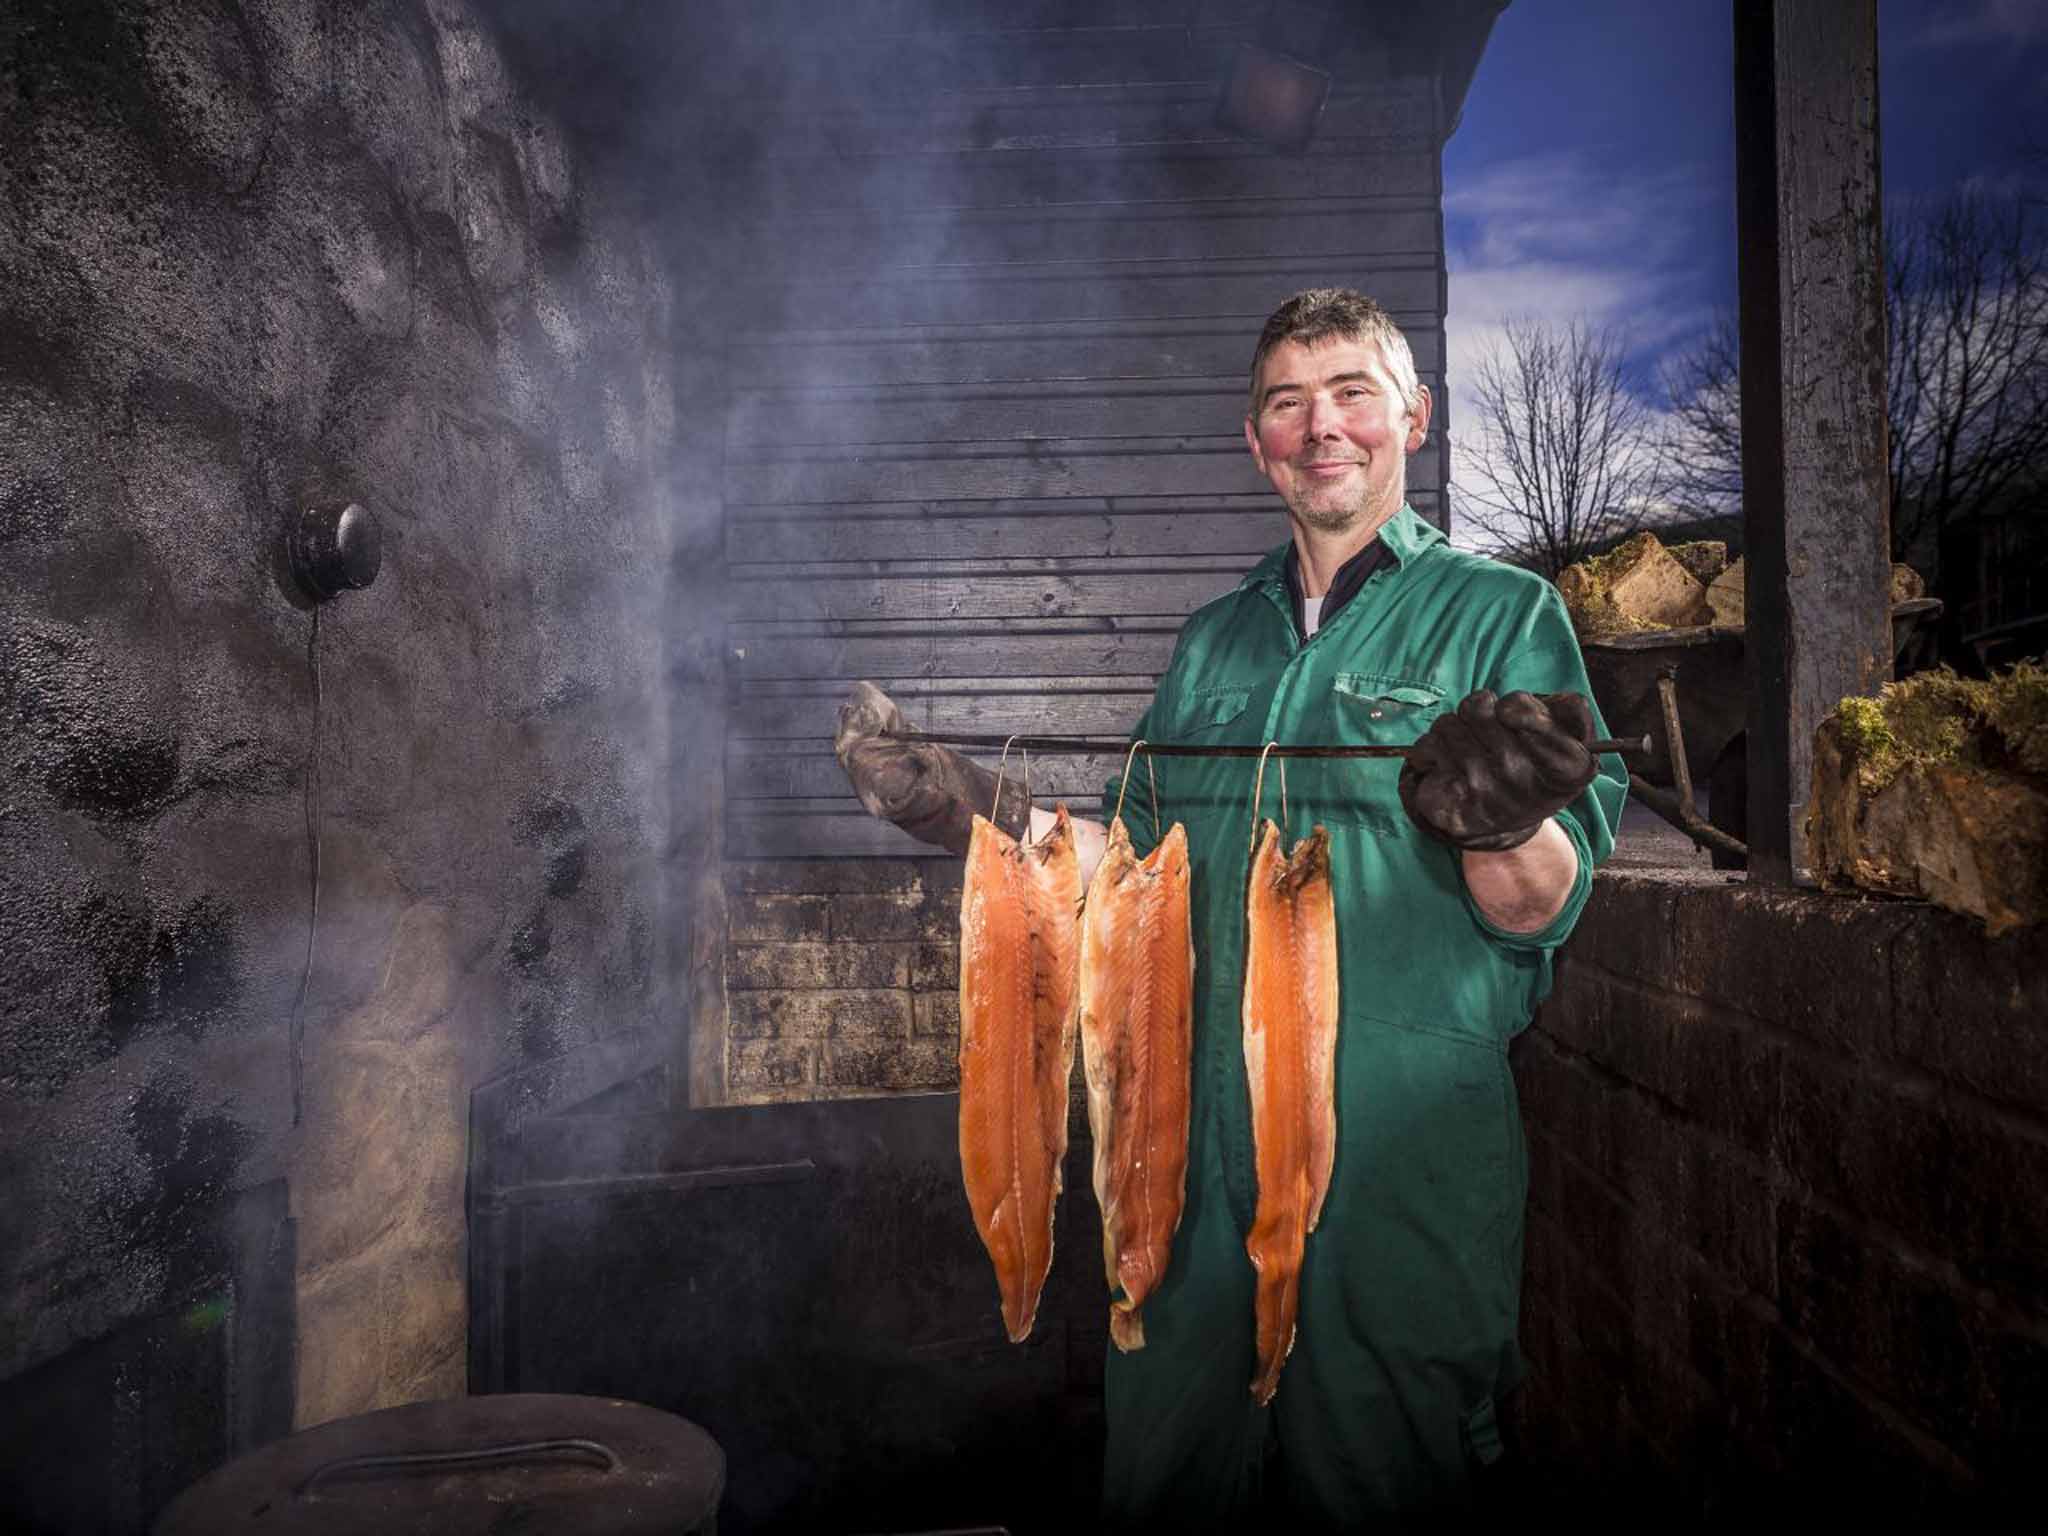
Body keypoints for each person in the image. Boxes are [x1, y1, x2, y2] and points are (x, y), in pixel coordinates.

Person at [837, 288, 1627, 1528]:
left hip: (1395, 1167)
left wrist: (1505, 822)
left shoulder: (1499, 616)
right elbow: (1131, 860)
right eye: (1286, 402)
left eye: (1353, 393)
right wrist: (964, 814)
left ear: (1411, 418)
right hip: (1182, 1167)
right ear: (1251, 439)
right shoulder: (1210, 645)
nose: (1324, 427)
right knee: (1166, 1482)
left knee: (1386, 1480)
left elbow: (1543, 906)